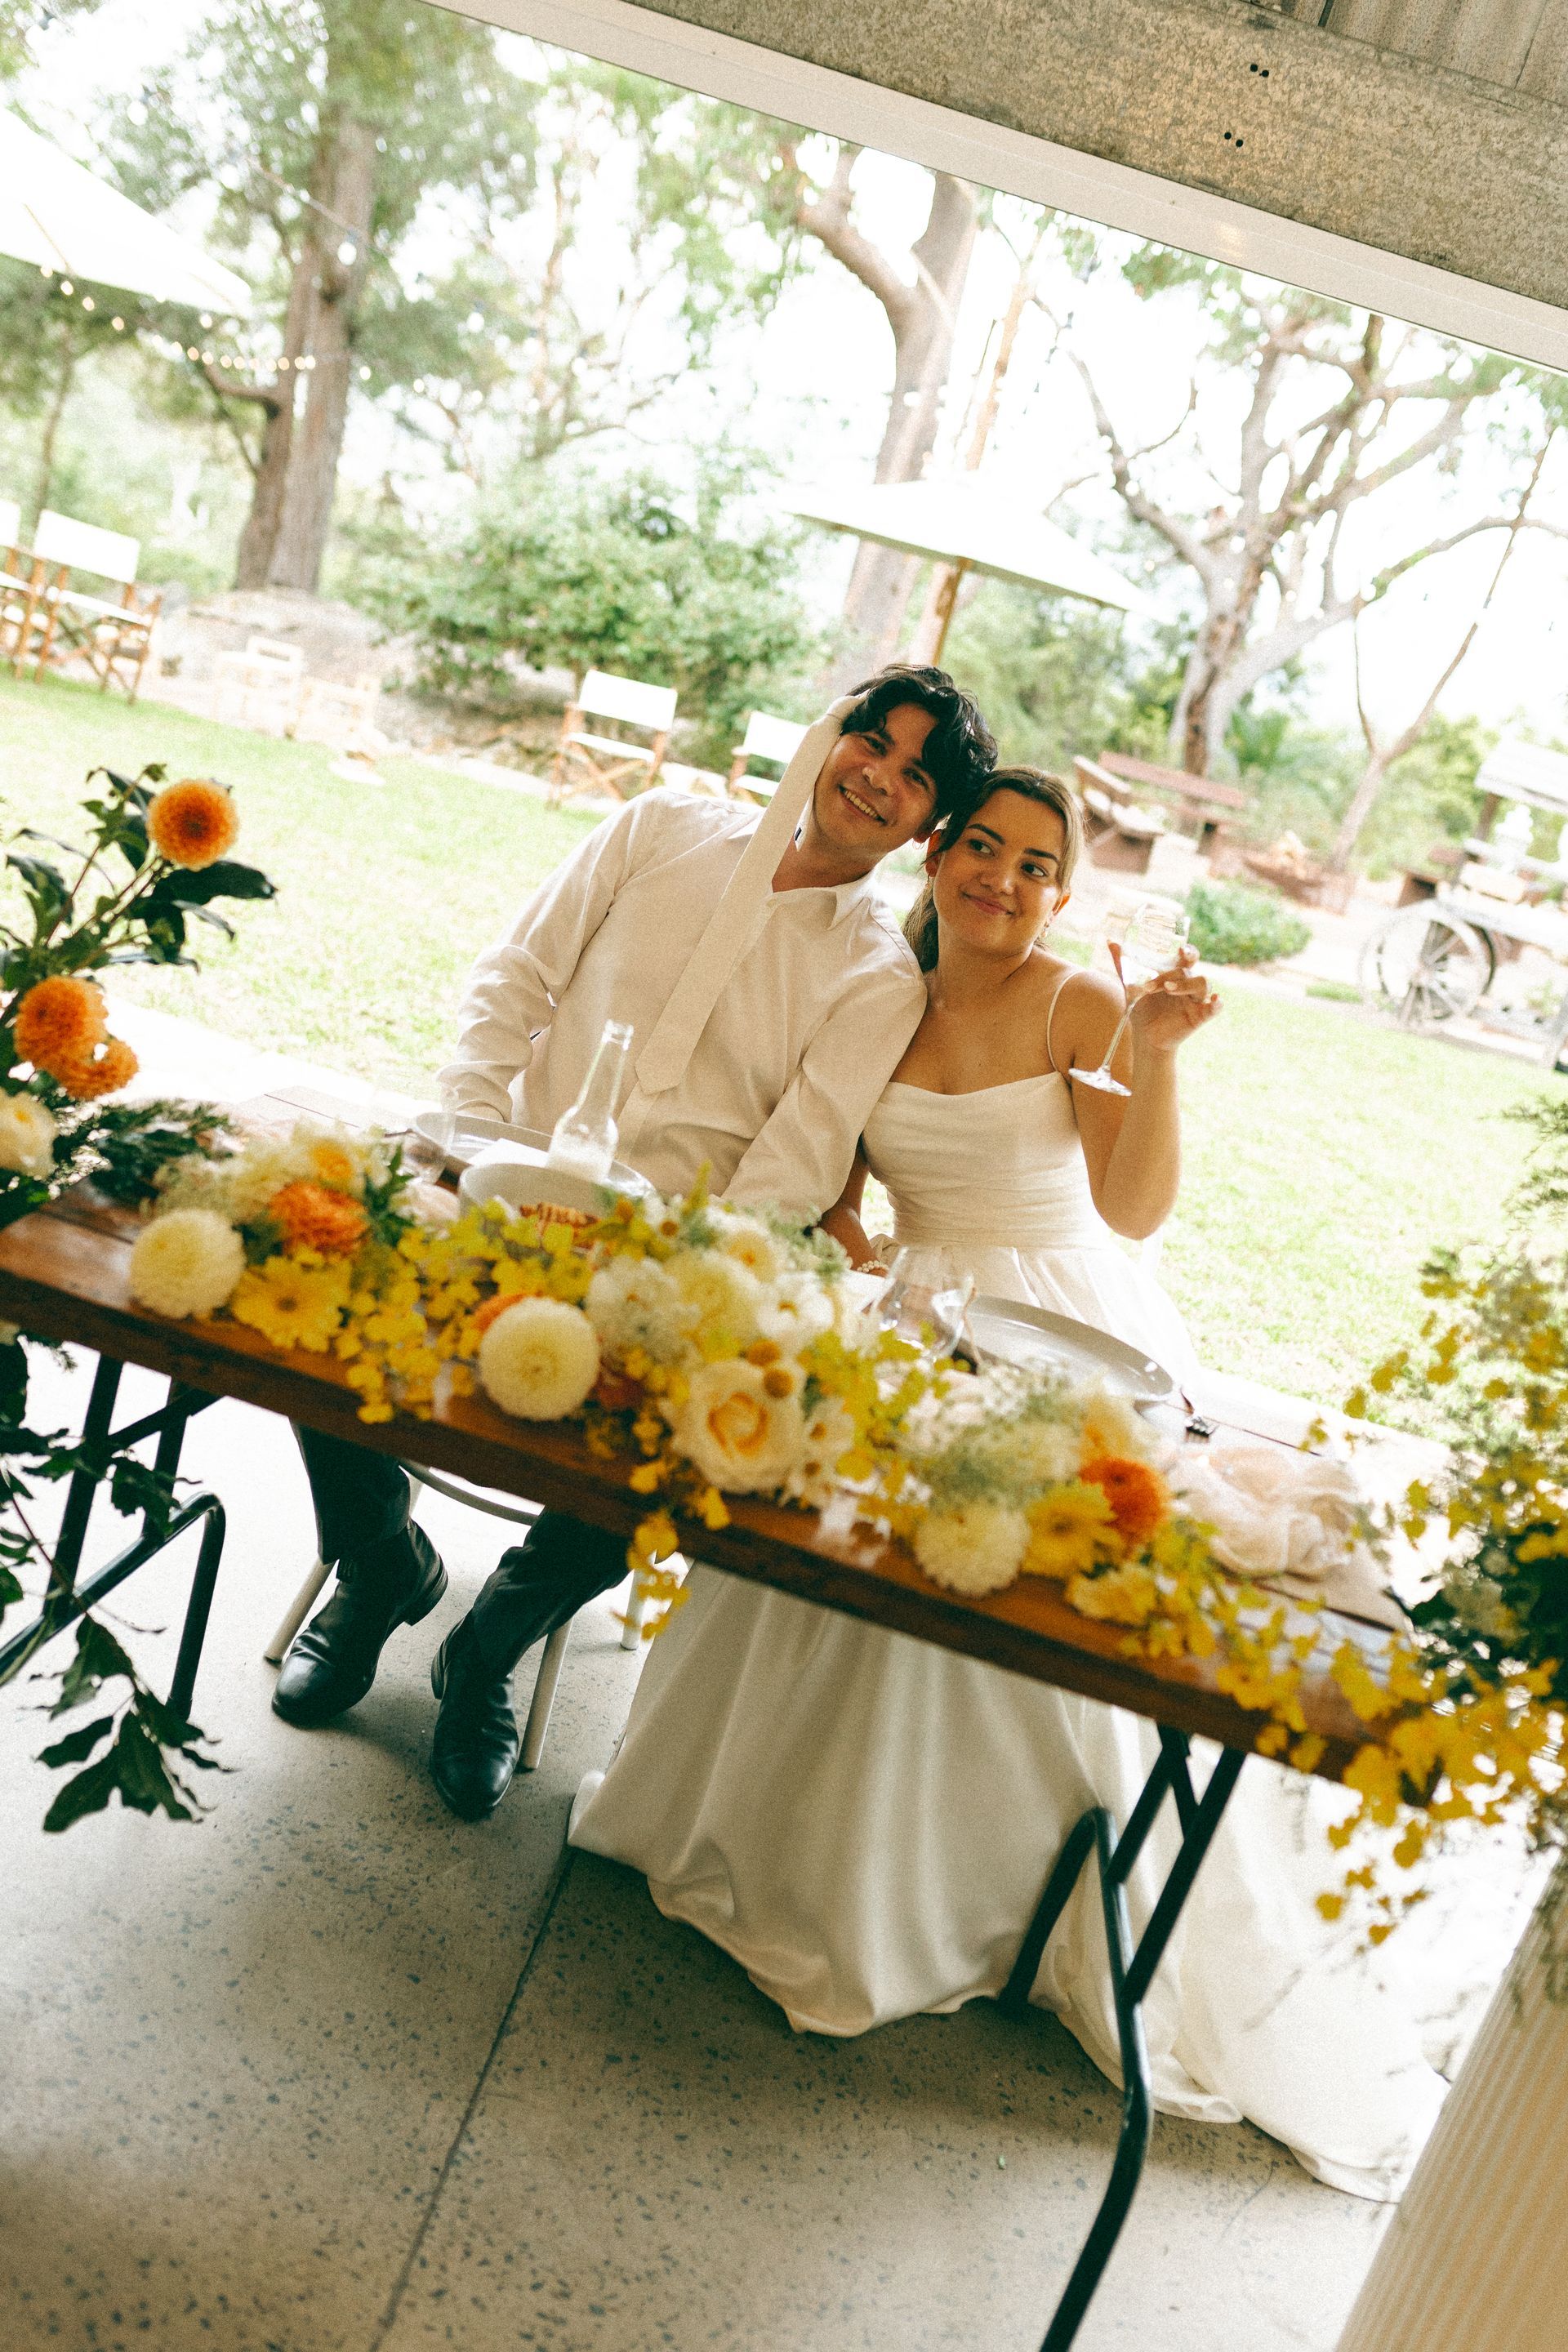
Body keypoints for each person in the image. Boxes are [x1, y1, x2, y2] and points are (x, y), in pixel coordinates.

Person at [571, 767, 1501, 2200]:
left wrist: (1164, 1048)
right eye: (983, 850)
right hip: (920, 1321)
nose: (1002, 880)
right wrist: (839, 1221)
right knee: (838, 1560)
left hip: (1069, 1333)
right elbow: (834, 1156)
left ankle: (970, 1908)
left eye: (1036, 865)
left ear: (1064, 893)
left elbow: (1129, 1210)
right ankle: (782, 1854)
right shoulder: (882, 990)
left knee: (1023, 1585)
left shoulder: (1077, 1005)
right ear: (939, 858)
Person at [270, 666, 997, 1825]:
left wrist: (669, 1280)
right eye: (874, 741)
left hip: (661, 1260)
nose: (880, 777)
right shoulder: (659, 827)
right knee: (315, 1286)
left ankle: (493, 1642)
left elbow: (794, 1170)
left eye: (917, 778)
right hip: (501, 1183)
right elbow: (514, 979)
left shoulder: (877, 975)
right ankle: (377, 1568)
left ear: (928, 825)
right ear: (829, 734)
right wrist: (473, 1151)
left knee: (695, 1424)